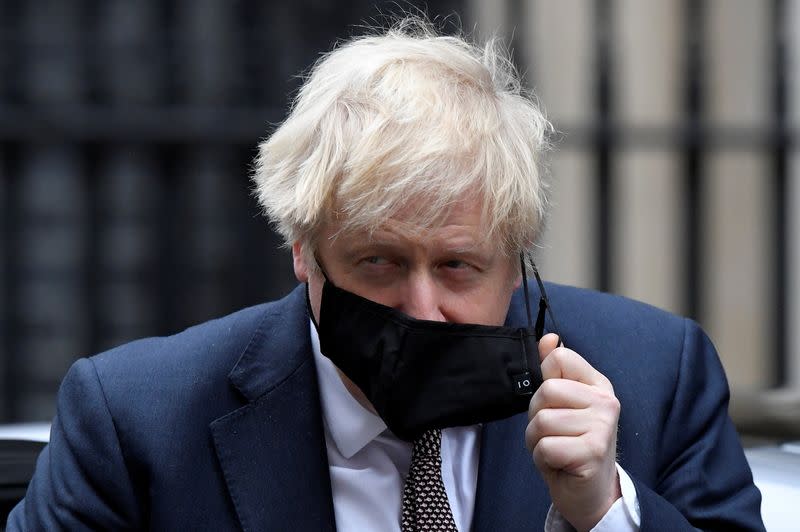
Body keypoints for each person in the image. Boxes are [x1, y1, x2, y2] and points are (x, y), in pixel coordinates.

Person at [8, 18, 763, 531]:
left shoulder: (656, 374)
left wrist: (605, 511)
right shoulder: (136, 419)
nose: (422, 308)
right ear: (304, 251)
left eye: (460, 266)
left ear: (519, 255)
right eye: (380, 262)